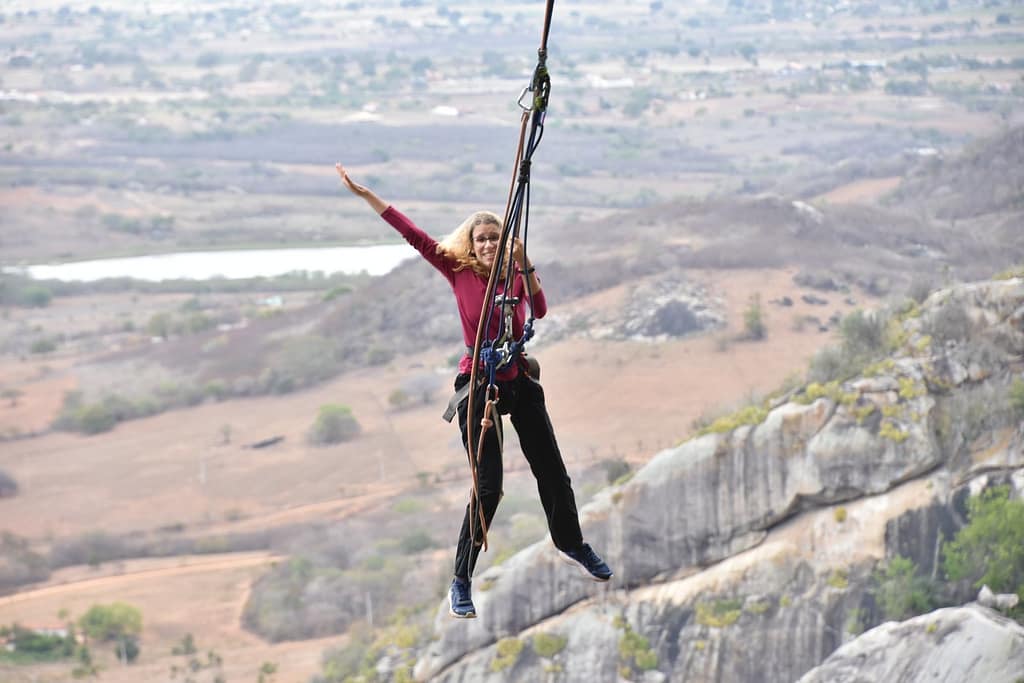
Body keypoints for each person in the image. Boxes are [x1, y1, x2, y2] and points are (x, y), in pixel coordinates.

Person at [335, 163, 613, 619]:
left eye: (493, 238)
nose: (486, 245)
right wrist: (368, 197)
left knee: (553, 472)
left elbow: (539, 310)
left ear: (504, 243)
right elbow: (415, 235)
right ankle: (461, 578)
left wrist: (523, 263)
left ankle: (572, 543)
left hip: (518, 380)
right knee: (488, 489)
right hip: (479, 385)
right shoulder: (458, 272)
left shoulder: (516, 278)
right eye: (479, 238)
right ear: (470, 244)